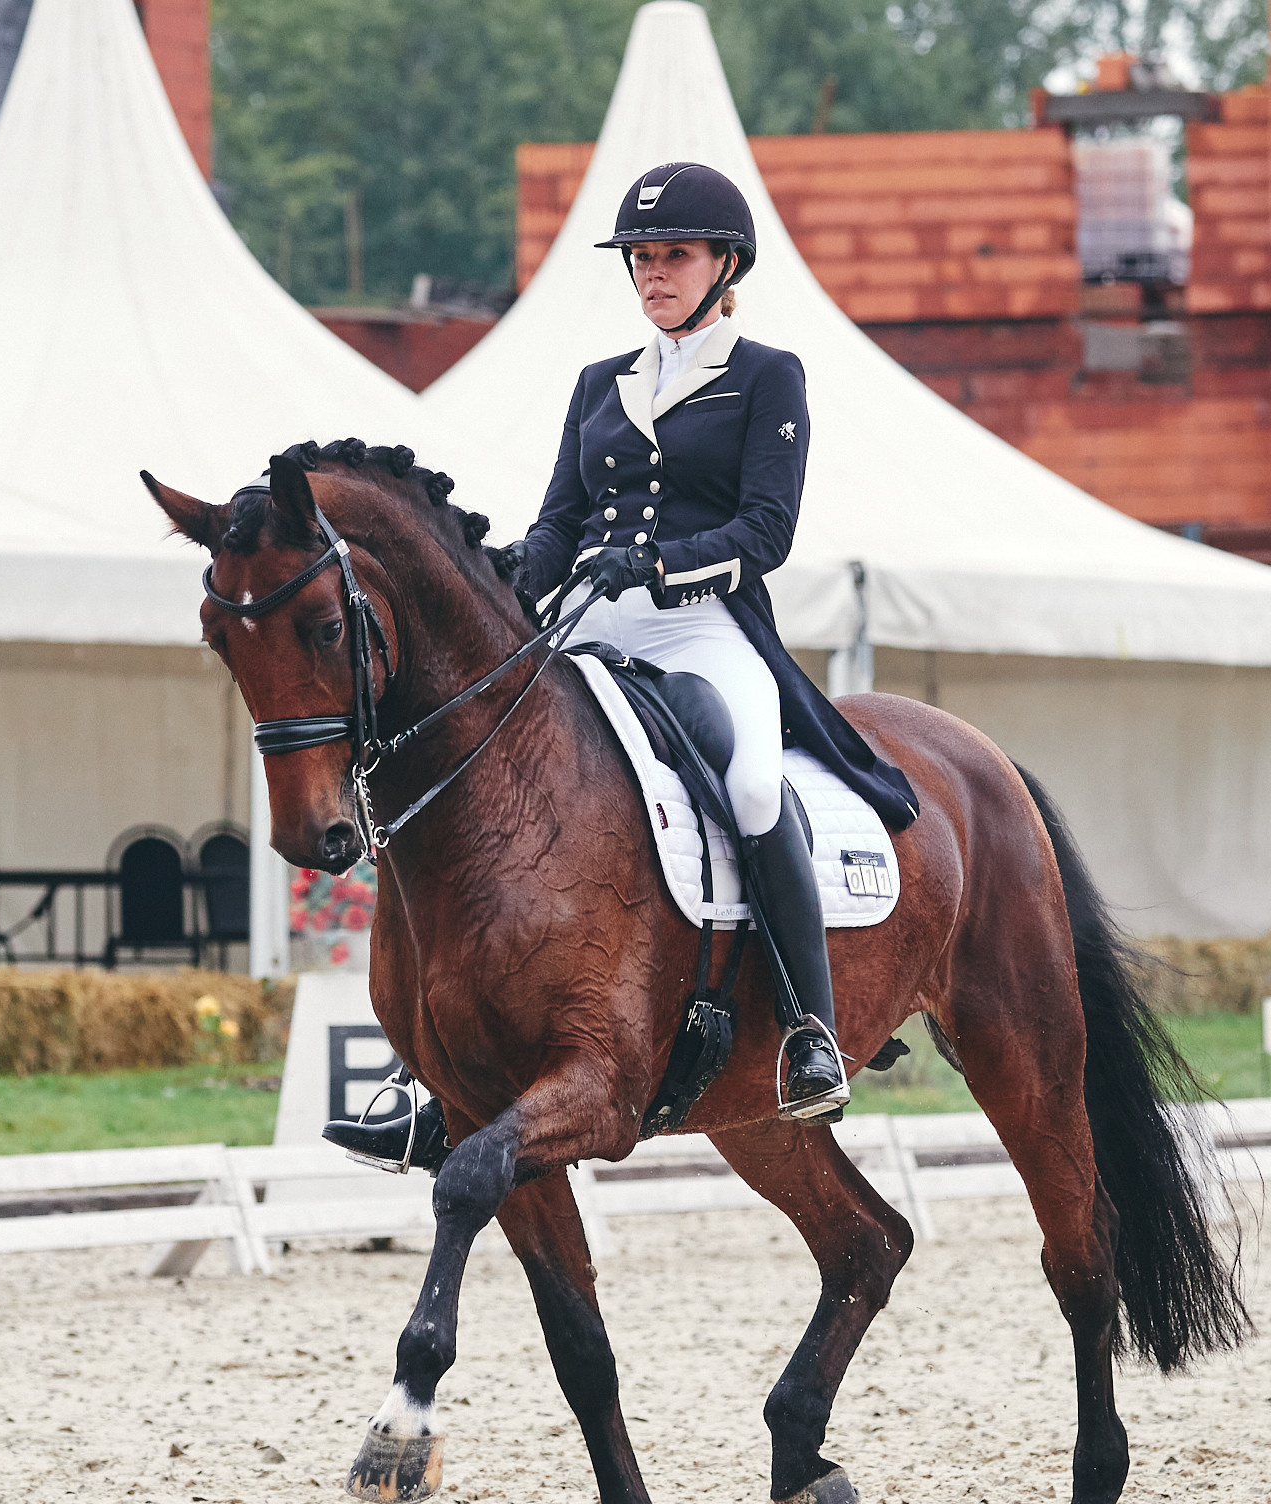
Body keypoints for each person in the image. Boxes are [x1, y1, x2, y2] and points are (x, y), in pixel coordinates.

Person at [323, 162, 919, 1165]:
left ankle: (812, 1035)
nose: (651, 274)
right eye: (640, 259)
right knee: (482, 777)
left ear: (726, 263)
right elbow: (560, 522)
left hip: (702, 627)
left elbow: (763, 530)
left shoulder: (766, 375)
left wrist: (653, 561)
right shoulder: (602, 383)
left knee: (751, 780)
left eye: (671, 256)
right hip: (594, 627)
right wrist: (503, 580)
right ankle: (431, 1069)